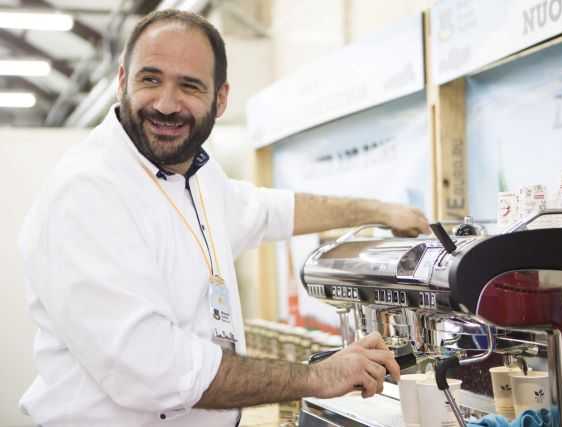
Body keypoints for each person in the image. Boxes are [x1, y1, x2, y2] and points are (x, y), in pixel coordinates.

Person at [18, 9, 430, 427]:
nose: (165, 104)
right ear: (122, 81)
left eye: (189, 86)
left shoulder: (195, 174)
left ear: (220, 98)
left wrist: (380, 212)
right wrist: (319, 377)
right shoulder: (87, 192)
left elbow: (274, 209)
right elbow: (152, 369)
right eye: (150, 79)